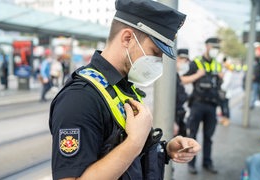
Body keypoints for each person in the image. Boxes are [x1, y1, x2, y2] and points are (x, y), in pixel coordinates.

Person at [49, 0, 201, 179]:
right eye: (155, 53)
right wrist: (134, 142)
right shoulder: (80, 98)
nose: (158, 63)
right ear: (127, 38)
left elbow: (125, 157)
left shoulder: (123, 86)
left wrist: (165, 150)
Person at [180, 37, 223, 174]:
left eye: (217, 47)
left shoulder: (217, 64)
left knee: (208, 137)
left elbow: (219, 86)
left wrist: (221, 77)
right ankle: (191, 164)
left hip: (212, 105)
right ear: (206, 46)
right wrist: (197, 75)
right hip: (197, 104)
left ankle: (207, 163)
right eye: (213, 46)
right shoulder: (196, 62)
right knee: (192, 134)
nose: (215, 50)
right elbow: (182, 80)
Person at [174, 48, 189, 137]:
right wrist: (173, 121)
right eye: (181, 58)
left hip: (181, 118)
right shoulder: (169, 78)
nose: (184, 61)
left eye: (186, 59)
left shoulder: (178, 76)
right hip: (173, 119)